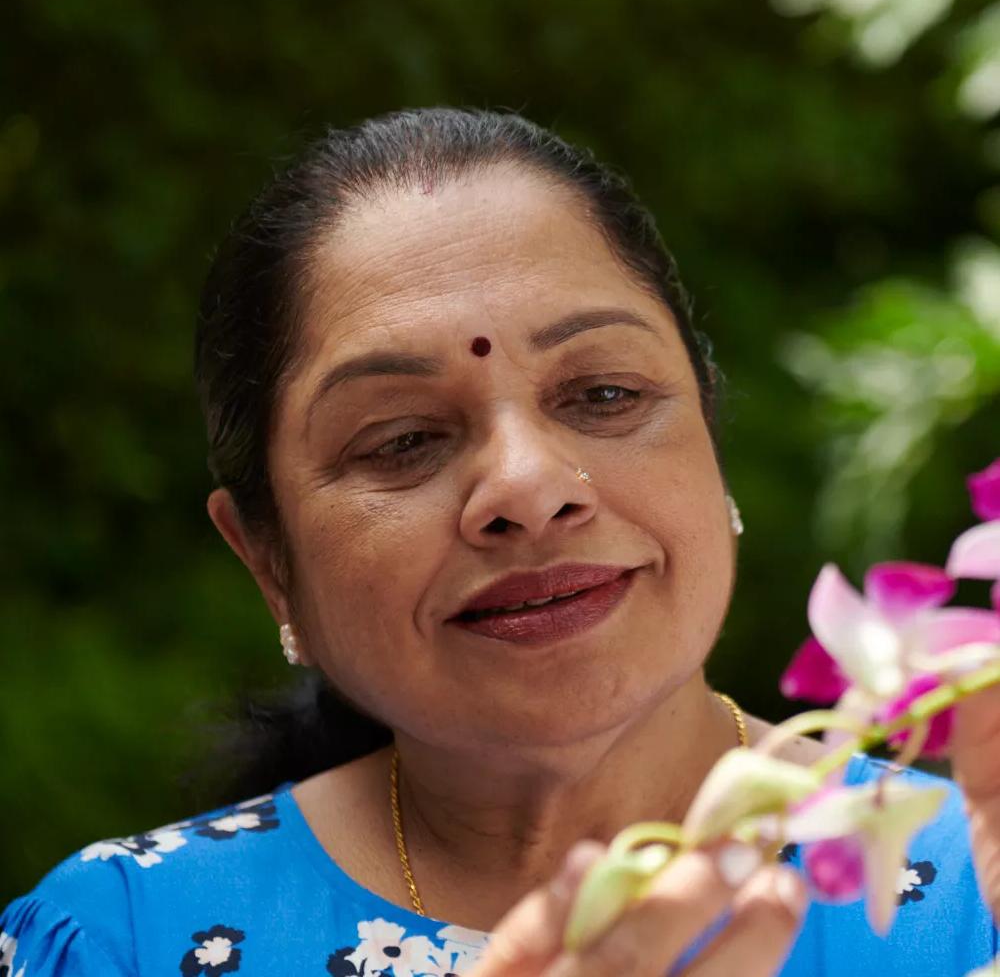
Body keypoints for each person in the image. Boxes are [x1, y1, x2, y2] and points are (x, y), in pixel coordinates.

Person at [2, 108, 997, 977]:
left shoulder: (976, 886)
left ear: (709, 444)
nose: (527, 490)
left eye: (602, 393)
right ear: (268, 561)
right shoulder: (119, 942)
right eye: (402, 440)